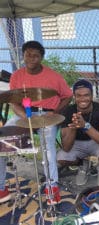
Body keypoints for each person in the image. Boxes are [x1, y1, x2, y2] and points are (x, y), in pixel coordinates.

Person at [0, 41, 73, 205]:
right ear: (23, 55)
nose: (31, 58)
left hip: (47, 113)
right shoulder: (17, 75)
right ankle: (1, 189)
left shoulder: (53, 76)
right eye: (27, 54)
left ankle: (52, 187)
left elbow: (68, 95)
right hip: (23, 114)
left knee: (48, 149)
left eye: (35, 55)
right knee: (1, 142)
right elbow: (14, 101)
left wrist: (55, 112)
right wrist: (24, 117)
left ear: (41, 58)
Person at [57, 79, 99, 186]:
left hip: (96, 141)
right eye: (79, 95)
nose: (82, 99)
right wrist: (74, 127)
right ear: (74, 97)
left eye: (86, 95)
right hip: (76, 143)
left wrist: (85, 126)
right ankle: (83, 164)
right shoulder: (67, 111)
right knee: (61, 159)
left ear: (91, 96)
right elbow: (66, 147)